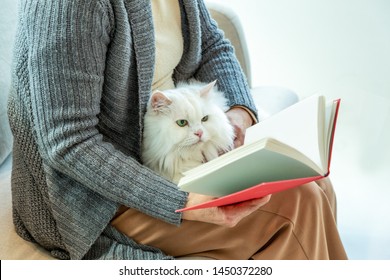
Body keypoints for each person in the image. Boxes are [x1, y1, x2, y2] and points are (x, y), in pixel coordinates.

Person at [7, 0, 347, 260]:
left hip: (177, 158)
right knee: (294, 205)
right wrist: (182, 201)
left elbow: (214, 44)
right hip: (94, 196)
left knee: (312, 180)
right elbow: (68, 141)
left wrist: (240, 113)